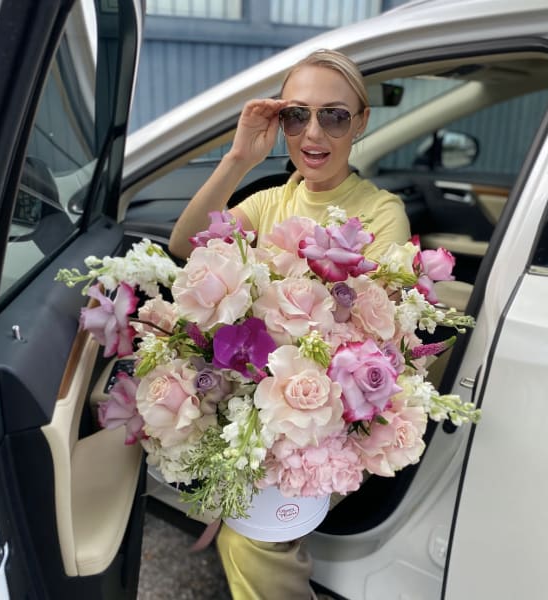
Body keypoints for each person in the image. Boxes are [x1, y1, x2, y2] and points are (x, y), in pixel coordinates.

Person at [169, 48, 411, 600]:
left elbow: (371, 332)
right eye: (297, 115)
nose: (313, 133)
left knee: (250, 540)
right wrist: (238, 159)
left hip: (331, 412)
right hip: (260, 403)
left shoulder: (381, 213)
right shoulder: (268, 202)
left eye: (335, 116)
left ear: (361, 122)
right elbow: (186, 244)